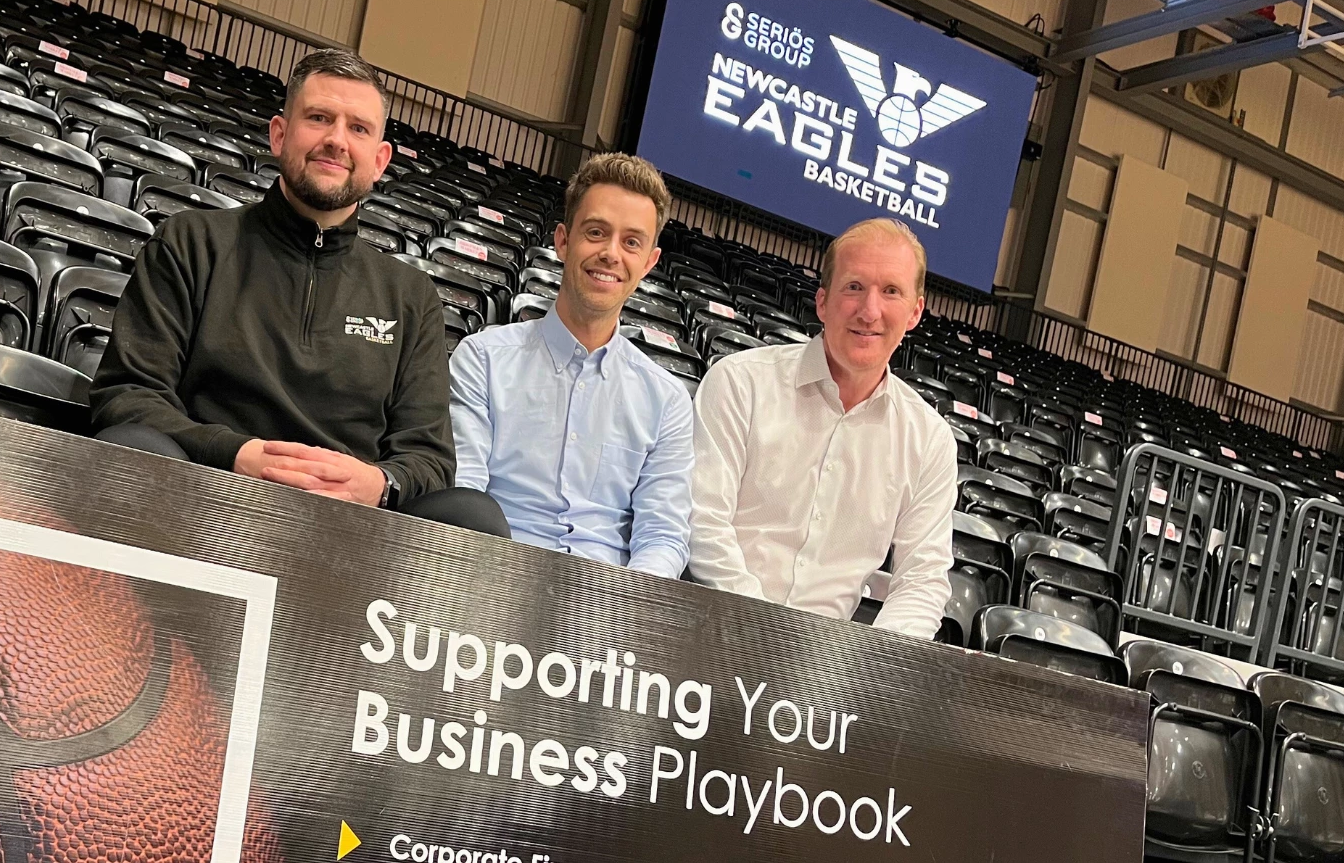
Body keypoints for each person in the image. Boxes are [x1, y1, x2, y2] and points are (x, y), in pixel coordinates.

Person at [90, 48, 507, 536]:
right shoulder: (192, 243)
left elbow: (428, 459)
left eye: (358, 128)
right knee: (132, 447)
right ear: (279, 134)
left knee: (474, 517)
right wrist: (236, 454)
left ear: (379, 160)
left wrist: (378, 483)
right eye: (319, 118)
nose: (336, 141)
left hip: (348, 528)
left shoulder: (410, 297)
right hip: (202, 492)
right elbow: (128, 395)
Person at [688, 218, 954, 637]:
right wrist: (761, 635)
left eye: (891, 291)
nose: (870, 311)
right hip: (708, 631)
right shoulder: (740, 383)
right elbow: (702, 521)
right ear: (822, 302)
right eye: (854, 287)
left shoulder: (930, 441)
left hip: (825, 674)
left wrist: (872, 667)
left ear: (915, 312)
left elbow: (923, 579)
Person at [448, 154, 692, 576]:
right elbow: (463, 492)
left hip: (607, 608)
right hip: (492, 582)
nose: (611, 254)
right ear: (563, 240)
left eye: (631, 242)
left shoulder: (667, 401)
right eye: (596, 232)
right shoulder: (482, 359)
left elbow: (662, 536)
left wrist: (620, 607)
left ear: (649, 263)